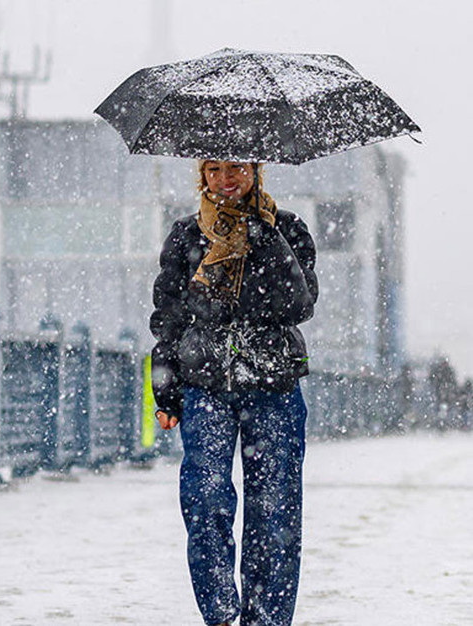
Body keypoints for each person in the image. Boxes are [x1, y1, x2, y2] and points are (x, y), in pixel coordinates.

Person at [150, 160, 318, 626]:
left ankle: (267, 620)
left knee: (276, 511)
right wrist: (165, 387)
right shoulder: (187, 236)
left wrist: (266, 238)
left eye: (239, 169)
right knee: (205, 501)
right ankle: (220, 615)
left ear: (257, 172)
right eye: (217, 169)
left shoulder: (287, 230)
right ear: (202, 174)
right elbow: (168, 317)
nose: (228, 180)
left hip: (273, 383)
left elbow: (299, 304)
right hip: (207, 386)